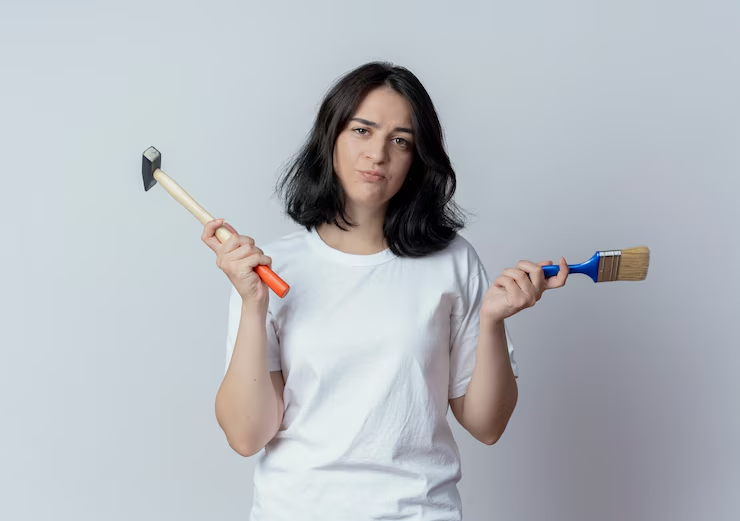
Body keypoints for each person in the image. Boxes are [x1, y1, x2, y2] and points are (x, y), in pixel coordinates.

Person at [201, 61, 569, 520]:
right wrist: (254, 305)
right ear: (330, 137)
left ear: (418, 159)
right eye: (362, 130)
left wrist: (492, 321)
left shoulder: (451, 261)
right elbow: (245, 435)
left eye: (400, 140)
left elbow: (487, 425)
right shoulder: (268, 270)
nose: (378, 154)